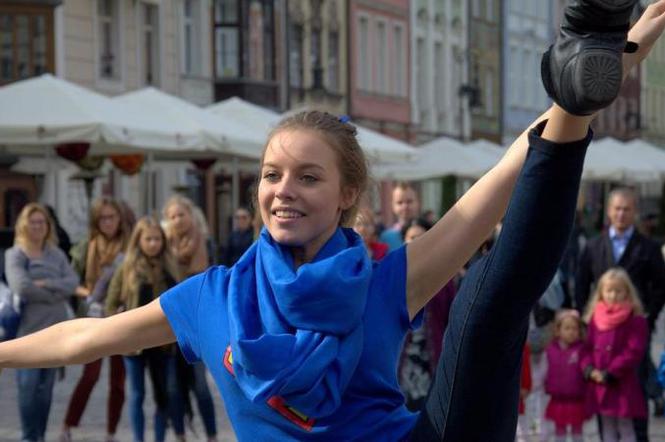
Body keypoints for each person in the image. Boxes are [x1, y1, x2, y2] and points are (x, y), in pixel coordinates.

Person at [1, 3, 664, 440]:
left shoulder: (380, 275)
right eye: (271, 175)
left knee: (487, 293)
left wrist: (581, 97)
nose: (282, 191)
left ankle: (575, 84)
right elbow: (81, 339)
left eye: (307, 177)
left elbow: (493, 187)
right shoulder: (212, 297)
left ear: (346, 193)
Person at [576, 187, 665, 438]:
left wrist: (649, 317)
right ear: (608, 211)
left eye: (627, 209)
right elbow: (582, 283)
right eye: (617, 208)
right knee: (605, 398)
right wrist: (585, 319)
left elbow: (660, 286)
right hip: (601, 334)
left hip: (633, 335)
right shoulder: (594, 246)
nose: (621, 214)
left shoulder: (648, 248)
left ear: (634, 212)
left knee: (635, 396)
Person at [4, 203, 79, 442]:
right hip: (27, 333)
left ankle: (41, 437)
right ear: (24, 225)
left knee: (45, 392)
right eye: (33, 222)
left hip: (55, 333)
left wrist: (46, 285)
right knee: (28, 391)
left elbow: (72, 282)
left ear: (48, 226)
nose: (38, 226)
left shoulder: (55, 254)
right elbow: (21, 286)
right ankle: (29, 437)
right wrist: (55, 293)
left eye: (42, 222)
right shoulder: (15, 254)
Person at [105, 216, 184, 442]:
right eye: (148, 239)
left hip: (163, 343)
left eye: (157, 239)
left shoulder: (171, 266)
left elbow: (180, 302)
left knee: (163, 394)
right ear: (138, 240)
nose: (153, 243)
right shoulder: (126, 268)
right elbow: (110, 304)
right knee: (137, 395)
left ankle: (159, 438)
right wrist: (120, 324)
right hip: (134, 344)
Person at [60, 197, 130, 442]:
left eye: (112, 217)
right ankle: (68, 426)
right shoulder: (85, 248)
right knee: (90, 376)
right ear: (96, 221)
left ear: (119, 219)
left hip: (121, 318)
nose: (108, 222)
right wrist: (87, 294)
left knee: (118, 382)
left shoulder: (128, 247)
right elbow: (71, 282)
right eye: (103, 218)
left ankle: (111, 432)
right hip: (92, 318)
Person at [163, 195, 218, 442]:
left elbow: (216, 279)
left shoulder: (205, 242)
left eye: (180, 214)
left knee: (201, 385)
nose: (177, 220)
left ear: (190, 214)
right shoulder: (163, 247)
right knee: (174, 386)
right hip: (168, 322)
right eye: (172, 216)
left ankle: (212, 435)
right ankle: (180, 434)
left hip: (198, 321)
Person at [582, 268, 648, 442]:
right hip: (599, 382)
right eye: (609, 290)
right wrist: (589, 369)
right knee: (606, 426)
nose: (613, 295)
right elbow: (586, 347)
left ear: (627, 292)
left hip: (621, 381)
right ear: (601, 292)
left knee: (625, 426)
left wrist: (611, 372)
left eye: (618, 290)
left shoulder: (635, 319)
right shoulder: (595, 317)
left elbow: (634, 350)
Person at [398, 218, 456, 410]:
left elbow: (452, 320)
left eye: (422, 237)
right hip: (400, 363)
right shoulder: (391, 276)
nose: (415, 242)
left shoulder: (444, 277)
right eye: (411, 237)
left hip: (432, 360)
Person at [544, 309, 589, 442]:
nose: (571, 332)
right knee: (559, 430)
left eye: (574, 328)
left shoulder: (582, 349)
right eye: (567, 328)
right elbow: (544, 369)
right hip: (558, 398)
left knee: (577, 429)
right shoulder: (550, 350)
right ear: (558, 331)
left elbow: (587, 367)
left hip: (577, 398)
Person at [379, 182, 420, 251]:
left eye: (409, 201)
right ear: (392, 206)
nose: (405, 206)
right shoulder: (386, 237)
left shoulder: (427, 231)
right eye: (400, 202)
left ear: (417, 202)